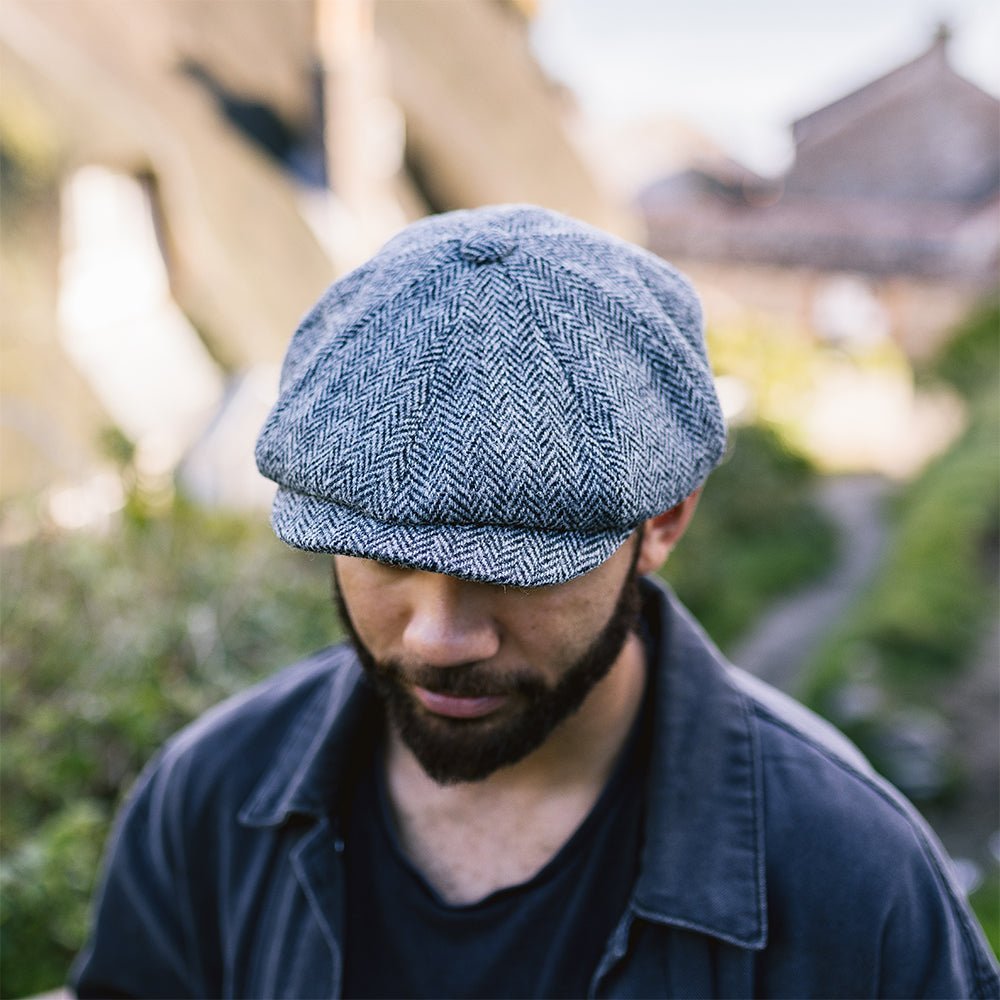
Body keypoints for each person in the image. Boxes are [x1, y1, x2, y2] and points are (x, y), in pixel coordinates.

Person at [72, 205, 998, 998]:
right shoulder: (210, 798)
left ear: (664, 522)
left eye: (514, 568)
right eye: (379, 555)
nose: (438, 639)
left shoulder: (853, 878)